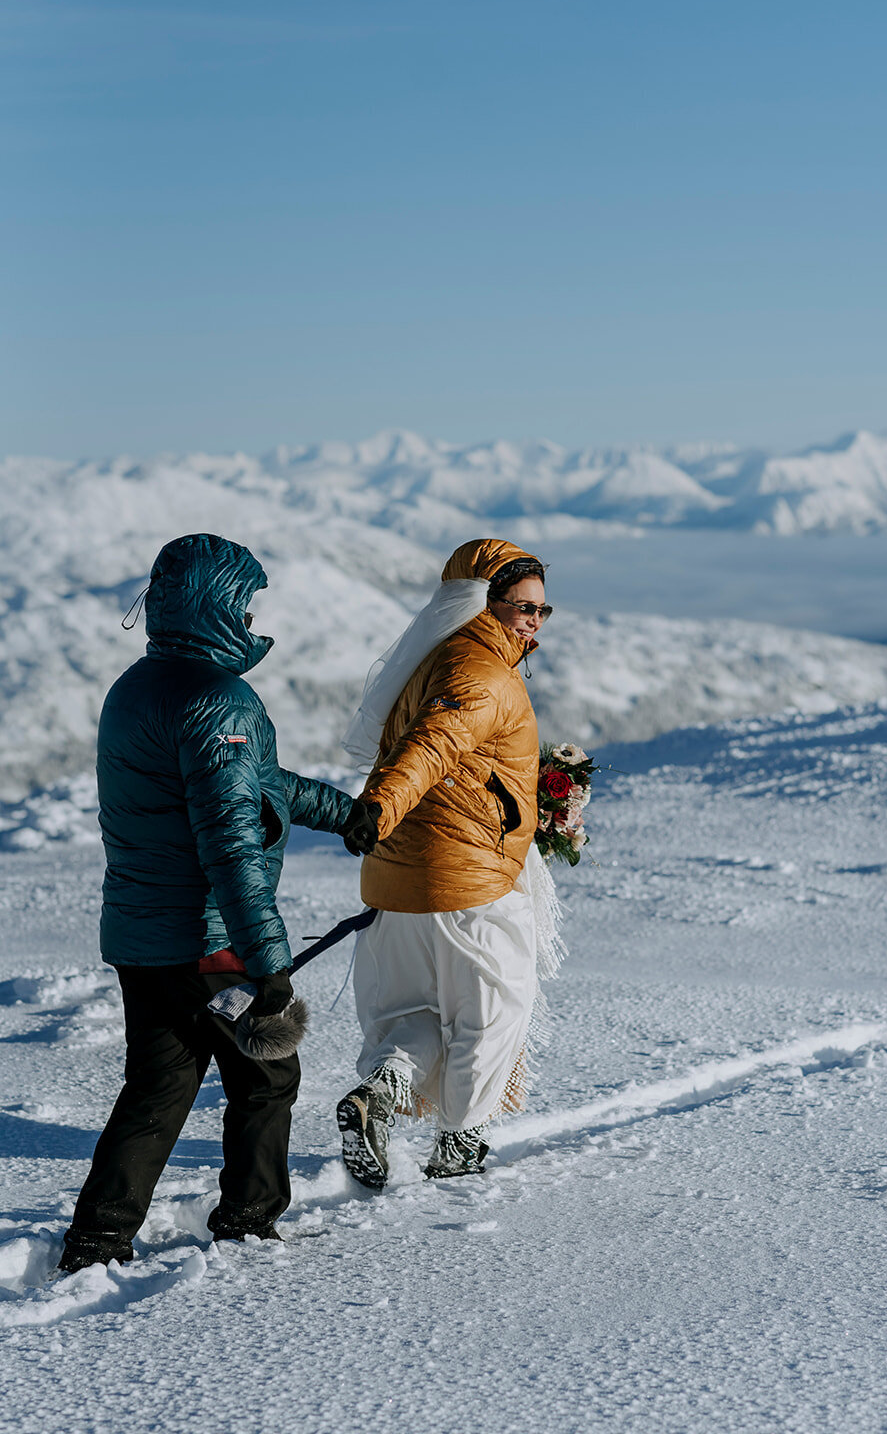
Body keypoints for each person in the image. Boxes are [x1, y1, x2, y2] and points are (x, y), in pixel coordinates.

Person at [58, 533, 361, 1274]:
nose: (254, 616)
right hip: (210, 938)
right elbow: (231, 845)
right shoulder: (219, 699)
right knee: (267, 1077)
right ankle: (249, 1222)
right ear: (217, 604)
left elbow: (255, 785)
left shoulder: (140, 686)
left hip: (140, 931)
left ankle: (98, 1238)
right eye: (246, 601)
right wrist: (271, 967)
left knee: (159, 1084)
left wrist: (345, 812)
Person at [337, 537, 560, 1184]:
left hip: (396, 877)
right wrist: (378, 805)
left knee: (414, 1015)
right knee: (492, 1013)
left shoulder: (434, 658)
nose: (533, 621)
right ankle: (460, 1145)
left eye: (543, 610)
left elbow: (456, 755)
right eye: (521, 606)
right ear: (481, 603)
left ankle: (379, 1092)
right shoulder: (480, 670)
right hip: (467, 880)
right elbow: (433, 747)